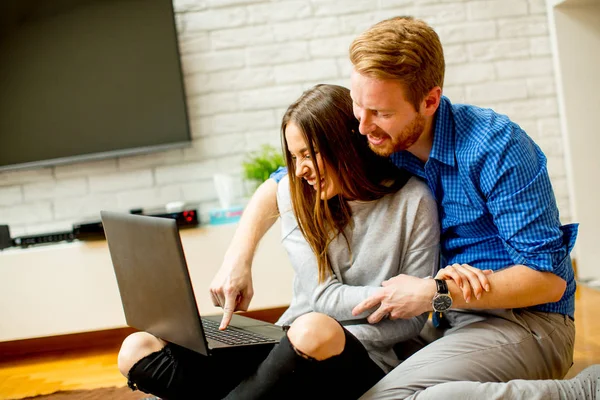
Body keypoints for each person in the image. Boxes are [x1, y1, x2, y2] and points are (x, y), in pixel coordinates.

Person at [210, 15, 600, 400]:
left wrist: (436, 293)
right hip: (444, 323)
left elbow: (548, 279)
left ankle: (584, 391)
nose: (362, 127)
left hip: (527, 322)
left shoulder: (496, 147)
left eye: (379, 112)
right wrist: (237, 260)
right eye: (358, 106)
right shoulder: (381, 140)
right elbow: (284, 179)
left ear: (429, 101)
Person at [117, 83, 445, 400]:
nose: (300, 169)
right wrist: (393, 297)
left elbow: (413, 320)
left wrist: (395, 307)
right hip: (286, 342)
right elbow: (321, 296)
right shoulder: (294, 193)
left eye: (309, 154)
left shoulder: (414, 200)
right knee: (136, 349)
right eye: (294, 156)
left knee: (316, 328)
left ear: (347, 143)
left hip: (361, 355)